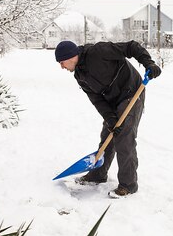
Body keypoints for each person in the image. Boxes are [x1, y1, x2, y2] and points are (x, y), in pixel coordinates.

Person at [54, 40, 161, 197]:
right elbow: (97, 99)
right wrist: (110, 118)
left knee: (124, 137)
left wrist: (148, 63)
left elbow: (131, 47)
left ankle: (128, 185)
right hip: (113, 101)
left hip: (132, 92)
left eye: (62, 62)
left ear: (71, 56)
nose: (62, 67)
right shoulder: (79, 75)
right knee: (108, 135)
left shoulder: (99, 51)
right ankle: (98, 174)